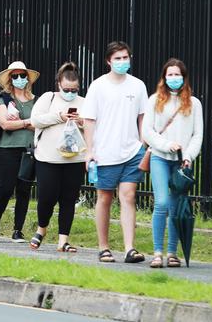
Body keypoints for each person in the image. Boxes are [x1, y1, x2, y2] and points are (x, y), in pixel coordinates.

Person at [83, 41, 148, 263]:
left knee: (128, 196)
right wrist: (89, 151)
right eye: (117, 58)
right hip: (105, 152)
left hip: (132, 151)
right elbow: (89, 120)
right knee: (105, 198)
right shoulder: (98, 86)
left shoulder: (138, 86)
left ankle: (130, 248)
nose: (122, 62)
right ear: (108, 61)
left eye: (125, 58)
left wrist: (142, 144)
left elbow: (143, 117)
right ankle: (104, 247)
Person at [142, 58, 203, 268]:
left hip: (182, 162)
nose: (173, 78)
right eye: (170, 74)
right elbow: (147, 131)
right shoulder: (154, 100)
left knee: (177, 206)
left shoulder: (194, 104)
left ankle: (172, 252)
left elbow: (198, 135)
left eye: (177, 74)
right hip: (160, 157)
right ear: (164, 77)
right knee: (161, 203)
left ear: (184, 77)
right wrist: (166, 144)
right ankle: (157, 251)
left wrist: (189, 155)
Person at [29, 62, 85, 252]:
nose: (70, 92)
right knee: (46, 197)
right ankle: (41, 228)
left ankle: (63, 240)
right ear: (58, 85)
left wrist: (81, 121)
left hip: (74, 158)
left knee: (68, 199)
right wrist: (59, 116)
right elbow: (35, 120)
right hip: (48, 157)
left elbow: (95, 127)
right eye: (67, 89)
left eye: (74, 89)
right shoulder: (49, 98)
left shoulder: (84, 102)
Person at [0, 61, 38, 242]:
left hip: (30, 149)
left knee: (24, 189)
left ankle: (18, 230)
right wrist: (26, 122)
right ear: (10, 79)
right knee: (5, 189)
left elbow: (40, 125)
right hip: (7, 148)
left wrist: (22, 122)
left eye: (23, 75)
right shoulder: (4, 99)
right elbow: (5, 124)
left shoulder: (35, 100)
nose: (20, 79)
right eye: (15, 76)